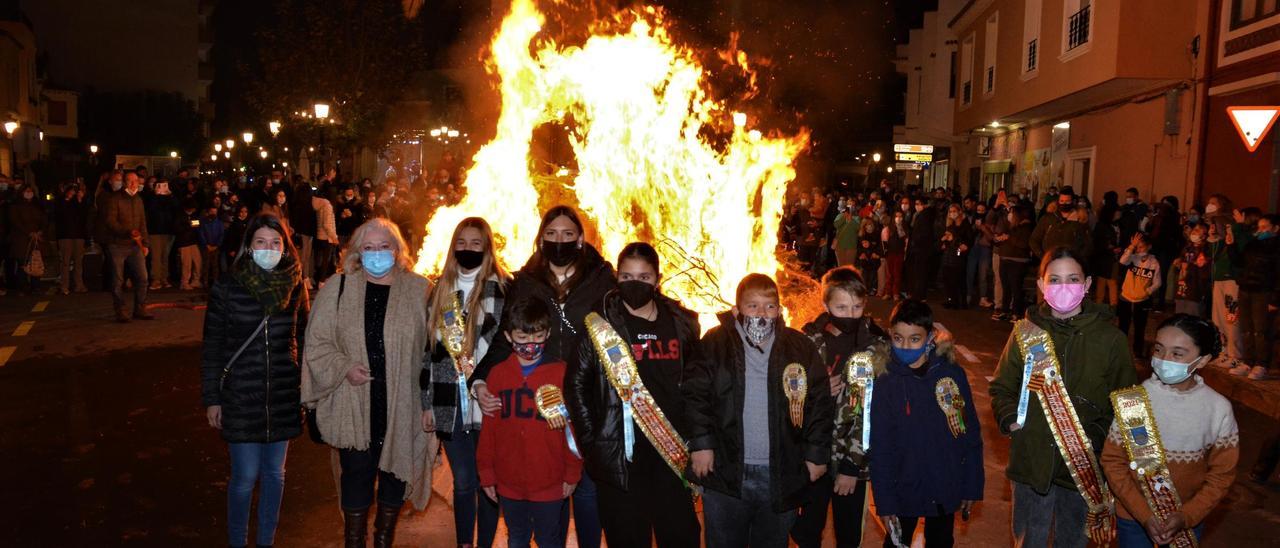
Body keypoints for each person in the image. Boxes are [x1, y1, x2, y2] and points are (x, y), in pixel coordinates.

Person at [473, 205, 615, 548]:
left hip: (588, 397)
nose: (559, 241)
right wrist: (479, 381)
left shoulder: (602, 279)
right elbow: (505, 338)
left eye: (567, 234)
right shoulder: (525, 282)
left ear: (580, 239)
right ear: (540, 239)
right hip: (541, 396)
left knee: (586, 488)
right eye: (551, 234)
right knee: (551, 487)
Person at [302, 218, 436, 548]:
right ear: (357, 253)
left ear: (398, 250)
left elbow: (435, 351)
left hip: (401, 404)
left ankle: (383, 539)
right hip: (353, 404)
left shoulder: (420, 290)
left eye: (384, 246)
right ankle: (354, 540)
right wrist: (344, 367)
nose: (377, 253)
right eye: (369, 247)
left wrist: (433, 402)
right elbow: (316, 342)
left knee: (394, 477)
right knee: (356, 476)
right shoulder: (338, 288)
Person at [990, 247, 1137, 548]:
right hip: (1031, 463)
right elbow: (1002, 386)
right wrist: (1013, 421)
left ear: (1087, 284)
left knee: (1072, 542)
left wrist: (1096, 437)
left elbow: (1126, 404)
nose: (1064, 287)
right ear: (1042, 285)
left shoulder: (1111, 340)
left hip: (1083, 467)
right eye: (1054, 280)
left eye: (1073, 279)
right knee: (1028, 542)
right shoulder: (1025, 332)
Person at [567, 242, 703, 547]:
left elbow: (697, 385)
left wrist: (699, 439)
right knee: (627, 538)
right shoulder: (599, 323)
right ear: (617, 277)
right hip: (620, 459)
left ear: (657, 279)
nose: (635, 284)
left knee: (681, 537)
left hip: (672, 453)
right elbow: (575, 385)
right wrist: (593, 443)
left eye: (644, 277)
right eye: (627, 276)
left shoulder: (683, 322)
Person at [684, 273, 833, 548]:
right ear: (737, 309)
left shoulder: (799, 347)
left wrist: (816, 454)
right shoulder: (714, 343)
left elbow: (819, 402)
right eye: (752, 306)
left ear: (779, 310)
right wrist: (702, 444)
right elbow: (695, 394)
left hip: (781, 472)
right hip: (726, 470)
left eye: (769, 306)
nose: (762, 314)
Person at [200, 213, 309, 548]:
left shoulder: (294, 284)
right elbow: (213, 346)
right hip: (240, 394)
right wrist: (212, 398)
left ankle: (266, 541)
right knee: (245, 476)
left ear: (285, 247)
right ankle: (237, 541)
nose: (268, 248)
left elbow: (304, 338)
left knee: (275, 474)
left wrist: (305, 387)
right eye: (260, 242)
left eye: (275, 243)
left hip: (282, 393)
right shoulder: (227, 286)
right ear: (248, 246)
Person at [1101, 314, 1238, 547]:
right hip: (1134, 519)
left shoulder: (1218, 408)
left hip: (1187, 520)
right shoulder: (1134, 401)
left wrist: (1188, 515)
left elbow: (1222, 474)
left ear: (1203, 360)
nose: (1164, 359)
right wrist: (1144, 514)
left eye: (1177, 354)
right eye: (1158, 349)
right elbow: (1113, 462)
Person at [424, 218, 509, 548]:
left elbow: (503, 347)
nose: (468, 249)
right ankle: (464, 543)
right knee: (463, 480)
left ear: (487, 248)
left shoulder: (502, 288)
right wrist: (426, 403)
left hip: (487, 401)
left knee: (488, 480)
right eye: (461, 242)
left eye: (476, 243)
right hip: (448, 401)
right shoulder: (440, 290)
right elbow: (427, 352)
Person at [872, 299, 983, 547]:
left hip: (943, 483)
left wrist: (972, 485)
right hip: (903, 488)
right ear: (890, 334)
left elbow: (969, 432)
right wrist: (885, 502)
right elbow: (880, 446)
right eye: (898, 338)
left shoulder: (951, 375)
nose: (905, 346)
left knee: (941, 541)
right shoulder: (886, 382)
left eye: (914, 339)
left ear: (930, 337)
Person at [476, 296, 583, 548]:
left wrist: (572, 472)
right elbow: (489, 430)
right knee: (517, 536)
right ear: (508, 336)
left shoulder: (561, 373)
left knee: (549, 538)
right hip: (509, 481)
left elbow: (571, 430)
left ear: (548, 334)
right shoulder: (498, 374)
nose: (530, 345)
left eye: (538, 337)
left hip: (550, 480)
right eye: (522, 338)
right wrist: (487, 473)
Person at [793, 267, 886, 548]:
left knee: (849, 535)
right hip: (813, 457)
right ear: (826, 305)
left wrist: (852, 465)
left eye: (857, 307)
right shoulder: (807, 341)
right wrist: (815, 393)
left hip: (852, 462)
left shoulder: (877, 346)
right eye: (841, 307)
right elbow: (788, 397)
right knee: (806, 532)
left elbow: (874, 413)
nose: (850, 315)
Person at [1227, 214, 1279, 380]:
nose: (1261, 231)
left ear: (1275, 228)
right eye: (1259, 227)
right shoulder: (1252, 244)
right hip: (1246, 289)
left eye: (1265, 227)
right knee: (1247, 328)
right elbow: (1239, 262)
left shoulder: (1276, 248)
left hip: (1263, 292)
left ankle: (1261, 364)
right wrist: (1231, 246)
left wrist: (1275, 299)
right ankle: (1248, 361)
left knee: (1261, 330)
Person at [102, 172, 153, 322]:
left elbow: (143, 223)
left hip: (135, 245)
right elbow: (110, 221)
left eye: (135, 181)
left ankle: (140, 307)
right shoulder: (115, 199)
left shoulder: (138, 200)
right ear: (125, 182)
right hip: (117, 244)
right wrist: (127, 231)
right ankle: (120, 309)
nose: (133, 184)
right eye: (130, 181)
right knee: (118, 279)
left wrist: (145, 243)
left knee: (143, 277)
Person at [1118, 232, 1162, 358]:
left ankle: (1138, 351)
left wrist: (1148, 291)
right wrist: (1131, 246)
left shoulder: (1154, 263)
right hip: (1125, 297)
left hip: (1142, 300)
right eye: (1137, 247)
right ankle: (1119, 350)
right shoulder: (1132, 258)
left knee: (1140, 327)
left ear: (1149, 246)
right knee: (1123, 326)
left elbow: (1158, 282)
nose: (1139, 250)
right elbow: (1122, 261)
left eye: (1141, 247)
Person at [993, 206, 1033, 321]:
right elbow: (1000, 241)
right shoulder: (1010, 227)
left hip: (1017, 261)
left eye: (1011, 213)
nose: (1009, 215)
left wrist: (1008, 238)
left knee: (1016, 287)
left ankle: (1016, 312)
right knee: (1006, 287)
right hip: (1005, 259)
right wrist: (998, 239)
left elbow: (1023, 244)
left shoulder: (1026, 228)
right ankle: (1005, 310)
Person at [54, 183, 90, 294]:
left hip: (78, 235)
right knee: (66, 262)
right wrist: (67, 199)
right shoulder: (61, 202)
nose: (73, 193)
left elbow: (84, 216)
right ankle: (64, 285)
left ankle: (79, 285)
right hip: (65, 235)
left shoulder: (80, 203)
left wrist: (80, 200)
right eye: (71, 191)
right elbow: (59, 215)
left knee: (78, 262)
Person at [1172, 223, 1212, 317]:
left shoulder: (1206, 250)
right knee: (1179, 318)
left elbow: (1204, 274)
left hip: (1194, 292)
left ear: (1204, 236)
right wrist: (1177, 265)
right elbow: (1179, 269)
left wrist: (1192, 266)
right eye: (1194, 229)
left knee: (1192, 318)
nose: (1194, 231)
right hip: (1181, 290)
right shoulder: (1187, 248)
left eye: (1198, 230)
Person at [144, 180, 176, 290]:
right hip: (155, 231)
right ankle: (156, 279)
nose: (163, 187)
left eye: (165, 185)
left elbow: (176, 207)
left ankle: (164, 278)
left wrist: (170, 195)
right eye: (160, 185)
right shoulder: (151, 197)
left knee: (165, 256)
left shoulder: (170, 198)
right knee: (156, 256)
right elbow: (150, 209)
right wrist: (156, 194)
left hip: (168, 230)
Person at [940, 203, 973, 309]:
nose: (952, 213)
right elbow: (946, 240)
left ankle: (961, 302)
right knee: (948, 279)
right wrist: (945, 241)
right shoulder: (951, 225)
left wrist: (954, 239)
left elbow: (968, 241)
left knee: (958, 279)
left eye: (954, 211)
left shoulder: (965, 225)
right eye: (950, 212)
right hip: (948, 255)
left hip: (958, 254)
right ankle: (950, 300)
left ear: (959, 212)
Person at [906, 198, 937, 301]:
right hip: (921, 248)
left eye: (918, 204)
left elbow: (924, 233)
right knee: (919, 272)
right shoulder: (921, 215)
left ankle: (920, 295)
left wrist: (915, 240)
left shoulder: (925, 216)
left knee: (921, 273)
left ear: (924, 205)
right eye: (915, 203)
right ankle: (918, 294)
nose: (916, 206)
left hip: (922, 249)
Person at [174, 199, 204, 290]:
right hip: (184, 242)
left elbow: (198, 224)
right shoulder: (180, 216)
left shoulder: (194, 216)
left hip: (193, 241)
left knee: (198, 262)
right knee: (186, 264)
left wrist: (195, 224)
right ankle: (184, 282)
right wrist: (188, 225)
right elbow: (177, 228)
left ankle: (196, 281)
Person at [313, 189, 339, 284]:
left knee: (320, 260)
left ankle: (318, 279)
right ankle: (322, 281)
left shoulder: (319, 204)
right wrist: (334, 237)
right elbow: (327, 224)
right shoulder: (328, 205)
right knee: (325, 261)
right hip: (327, 237)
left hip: (319, 235)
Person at [198, 205, 226, 288]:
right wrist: (206, 244)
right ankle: (205, 282)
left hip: (215, 247)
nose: (213, 213)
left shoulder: (219, 223)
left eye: (215, 212)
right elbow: (201, 233)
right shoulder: (203, 222)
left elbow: (222, 235)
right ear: (208, 212)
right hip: (206, 247)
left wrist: (217, 245)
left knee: (215, 265)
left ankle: (215, 282)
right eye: (212, 211)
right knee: (205, 265)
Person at [881, 210, 907, 299]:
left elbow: (904, 238)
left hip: (899, 253)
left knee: (897, 274)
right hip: (890, 253)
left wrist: (899, 227)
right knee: (889, 274)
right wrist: (885, 253)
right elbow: (884, 242)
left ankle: (896, 293)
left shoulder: (904, 228)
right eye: (896, 216)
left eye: (900, 216)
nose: (898, 218)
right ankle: (888, 292)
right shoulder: (888, 228)